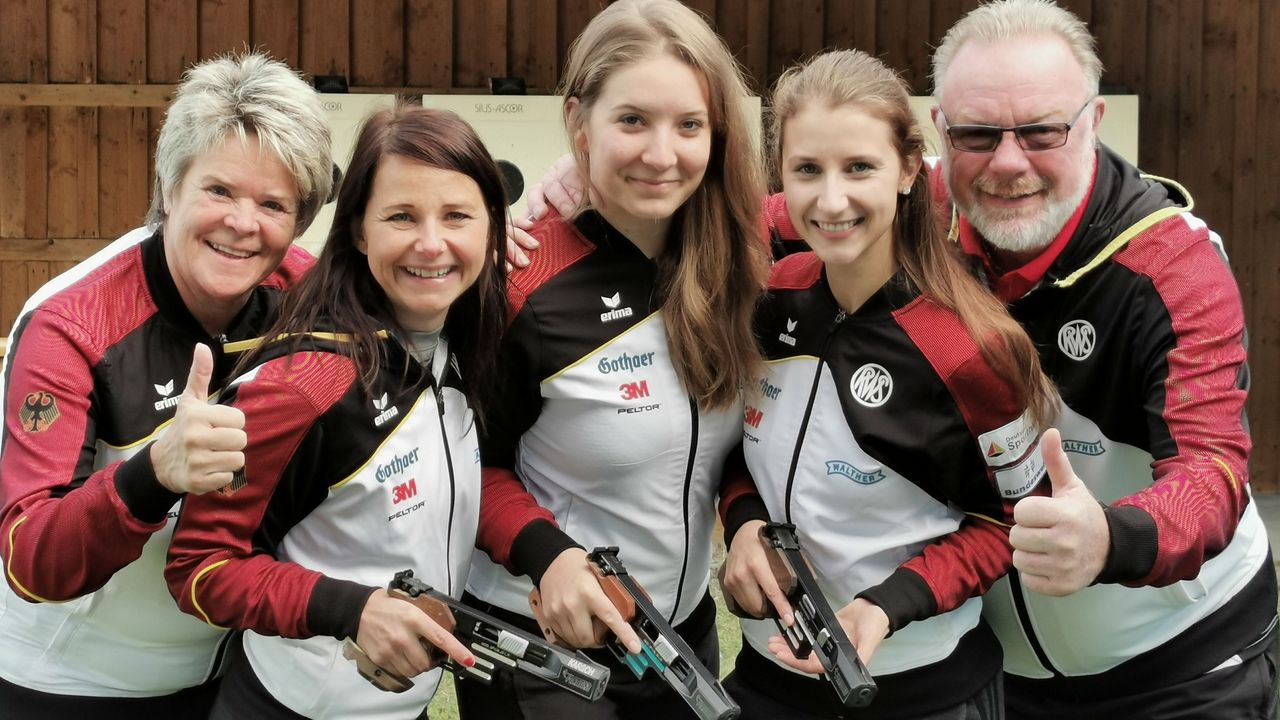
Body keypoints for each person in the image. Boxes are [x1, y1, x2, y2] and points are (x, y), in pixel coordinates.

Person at [924, 1, 1276, 718]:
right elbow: (769, 216)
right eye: (977, 133)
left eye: (1043, 130)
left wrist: (1112, 537)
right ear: (940, 130)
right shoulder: (911, 212)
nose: (1008, 161)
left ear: (1093, 123)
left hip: (1182, 667)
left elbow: (1212, 472)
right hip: (1000, 674)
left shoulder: (1174, 262)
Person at [714, 48, 1058, 719]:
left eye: (859, 168)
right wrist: (745, 522)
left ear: (907, 169)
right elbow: (735, 451)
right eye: (808, 169)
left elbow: (1014, 519)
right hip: (768, 678)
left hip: (922, 690)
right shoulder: (769, 301)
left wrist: (887, 604)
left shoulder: (970, 348)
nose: (831, 198)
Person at [458, 0, 770, 717]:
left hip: (683, 635)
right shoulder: (521, 284)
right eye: (632, 121)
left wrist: (746, 513)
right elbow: (465, 461)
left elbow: (726, 444)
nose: (662, 154)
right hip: (547, 651)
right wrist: (549, 554)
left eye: (689, 125)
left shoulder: (743, 259)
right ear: (579, 123)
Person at [0, 51, 332, 717]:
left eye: (274, 203)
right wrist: (154, 473)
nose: (243, 223)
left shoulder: (310, 292)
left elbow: (428, 300)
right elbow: (30, 558)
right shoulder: (72, 322)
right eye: (219, 191)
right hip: (65, 681)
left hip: (221, 673)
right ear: (170, 186)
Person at [164, 103, 509, 719]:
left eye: (457, 215)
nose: (432, 244)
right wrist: (351, 609)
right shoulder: (305, 382)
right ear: (358, 230)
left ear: (491, 225)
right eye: (401, 216)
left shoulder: (472, 340)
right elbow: (200, 567)